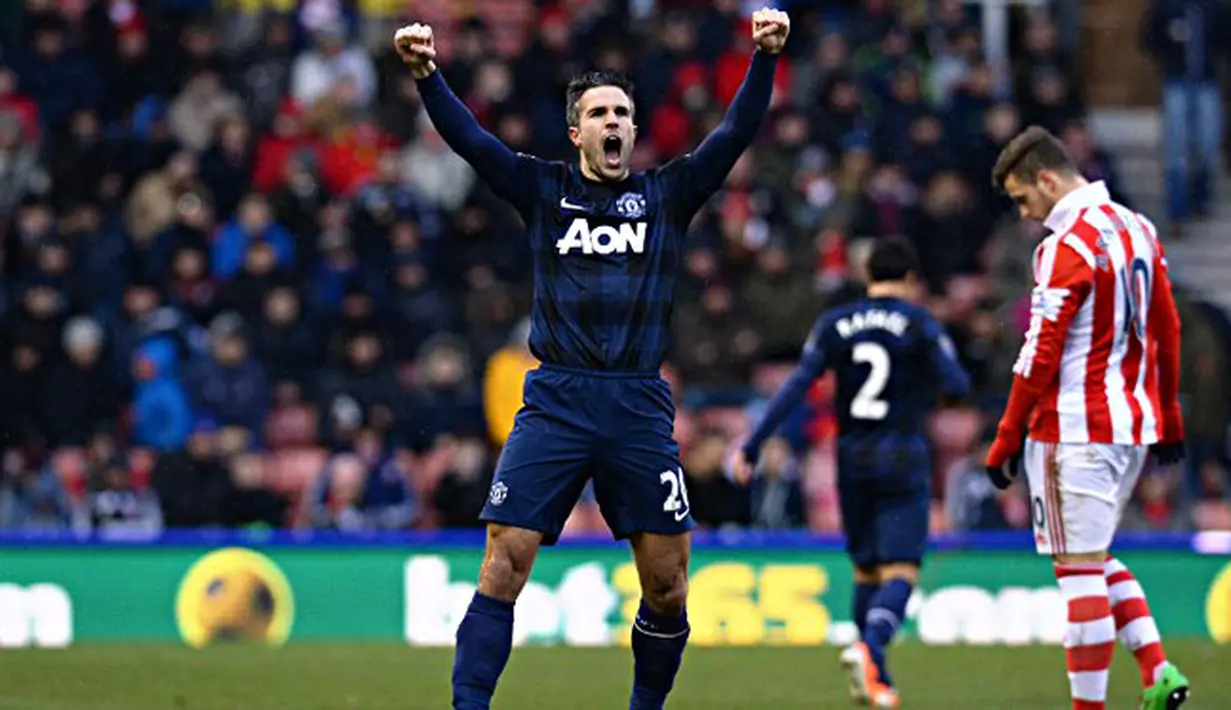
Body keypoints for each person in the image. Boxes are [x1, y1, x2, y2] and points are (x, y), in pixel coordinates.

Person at [393, 9, 791, 710]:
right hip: (556, 402)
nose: (613, 123)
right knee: (504, 560)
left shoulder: (665, 195)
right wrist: (428, 75)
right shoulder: (543, 190)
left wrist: (763, 59)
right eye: (599, 113)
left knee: (667, 586)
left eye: (623, 114)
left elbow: (733, 135)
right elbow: (471, 142)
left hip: (637, 403)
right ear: (576, 130)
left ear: (634, 131)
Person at [984, 125, 1189, 710]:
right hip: (1130, 426)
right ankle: (1157, 671)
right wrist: (1169, 414)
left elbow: (1040, 349)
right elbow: (1166, 327)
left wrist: (1006, 435)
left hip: (1071, 427)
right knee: (1093, 557)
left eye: (1025, 198)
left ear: (1048, 179)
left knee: (1076, 575)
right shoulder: (1137, 229)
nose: (1026, 214)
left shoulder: (1066, 244)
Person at [733, 237, 971, 709]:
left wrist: (754, 445)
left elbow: (798, 385)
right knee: (901, 569)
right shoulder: (919, 322)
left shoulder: (835, 323)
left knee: (865, 570)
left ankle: (875, 679)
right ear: (910, 280)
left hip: (852, 459)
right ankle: (873, 649)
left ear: (868, 277)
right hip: (902, 457)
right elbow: (957, 384)